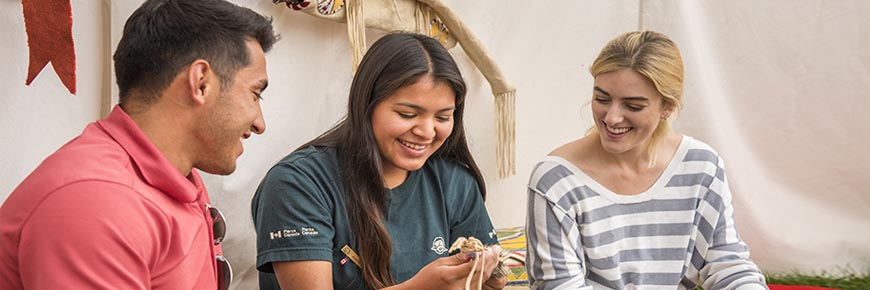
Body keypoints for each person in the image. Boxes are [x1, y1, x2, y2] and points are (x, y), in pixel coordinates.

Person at [0, 0, 278, 289]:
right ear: (201, 83)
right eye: (256, 93)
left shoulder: (173, 178)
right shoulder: (97, 201)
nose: (260, 123)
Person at [251, 32, 505, 290]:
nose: (427, 132)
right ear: (367, 105)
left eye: (442, 118)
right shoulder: (298, 184)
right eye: (408, 114)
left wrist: (489, 273)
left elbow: (493, 282)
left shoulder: (454, 183)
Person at [525, 31, 768, 290]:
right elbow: (559, 286)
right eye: (602, 99)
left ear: (668, 107)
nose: (612, 118)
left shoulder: (702, 166)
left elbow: (727, 264)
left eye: (633, 106)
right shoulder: (555, 181)